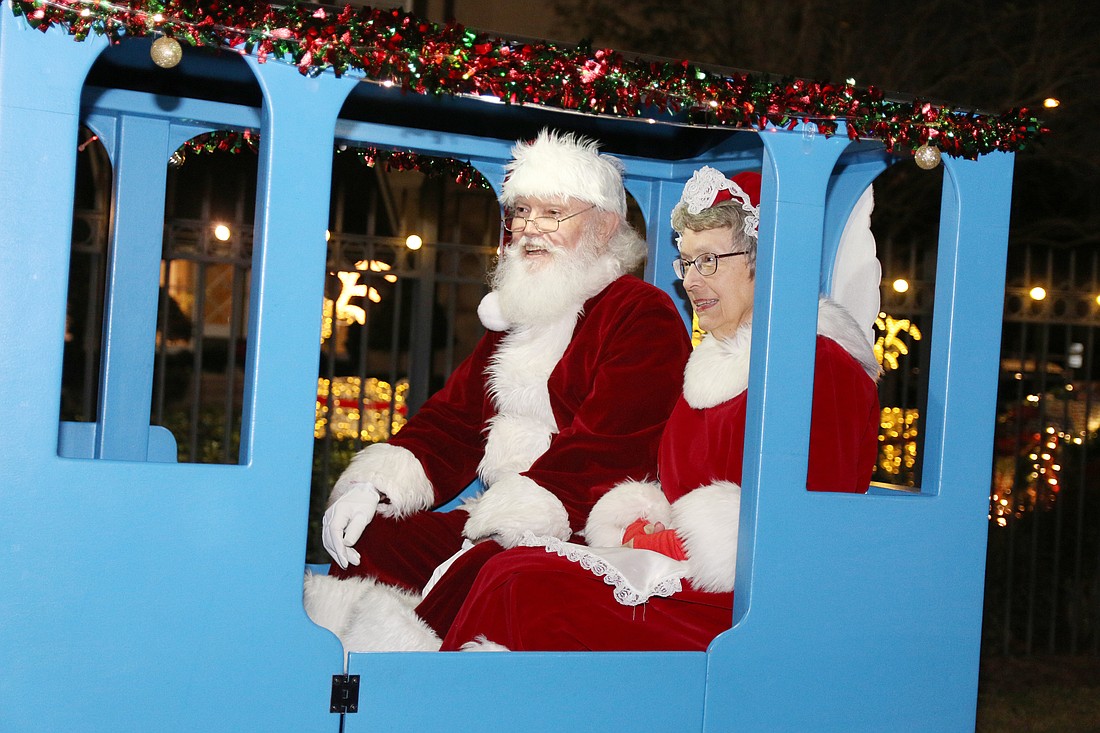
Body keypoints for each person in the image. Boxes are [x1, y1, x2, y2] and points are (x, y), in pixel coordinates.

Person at [436, 166, 882, 652]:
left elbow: (808, 531)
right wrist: (640, 522)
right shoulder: (710, 365)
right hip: (689, 580)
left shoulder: (821, 366)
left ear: (768, 259)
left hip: (754, 612)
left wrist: (684, 541)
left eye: (708, 260)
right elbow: (674, 486)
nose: (691, 281)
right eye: (685, 262)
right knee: (503, 565)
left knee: (521, 584)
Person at [303, 129, 693, 651]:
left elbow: (612, 448)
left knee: (487, 571)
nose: (529, 230)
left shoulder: (639, 312)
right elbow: (453, 421)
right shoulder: (519, 315)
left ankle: (411, 682)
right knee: (376, 538)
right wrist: (372, 487)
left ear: (603, 229)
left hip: (584, 521)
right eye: (521, 213)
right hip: (502, 512)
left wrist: (507, 520)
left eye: (551, 214)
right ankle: (337, 661)